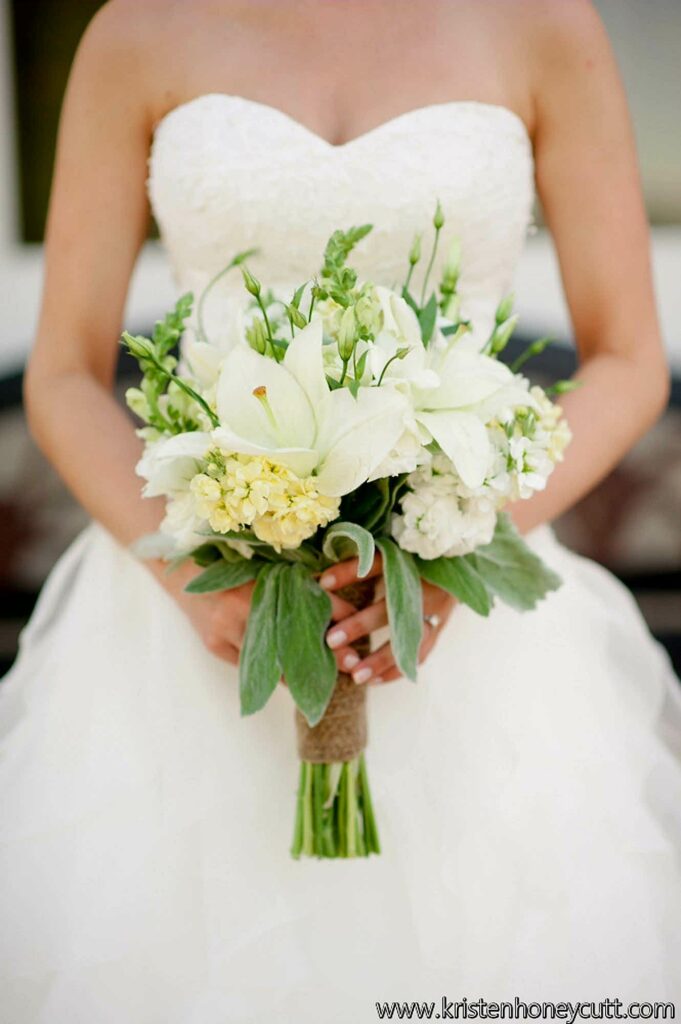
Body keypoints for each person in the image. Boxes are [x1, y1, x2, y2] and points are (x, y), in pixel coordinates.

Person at [2, 1, 680, 1019]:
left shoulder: (542, 22)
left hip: (475, 633)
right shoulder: (136, 30)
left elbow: (629, 358)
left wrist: (453, 544)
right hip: (186, 623)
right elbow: (62, 372)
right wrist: (188, 576)